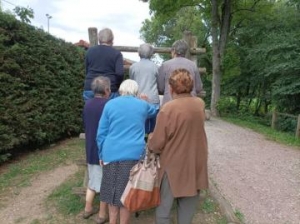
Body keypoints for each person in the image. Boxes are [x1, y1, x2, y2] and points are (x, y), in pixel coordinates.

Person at [148, 68, 208, 224]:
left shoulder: (168, 108)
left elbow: (157, 143)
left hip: (172, 166)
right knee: (187, 211)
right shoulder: (199, 104)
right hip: (195, 163)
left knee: (163, 211)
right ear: (191, 86)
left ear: (171, 88)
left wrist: (150, 139)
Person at [96, 80, 158, 224]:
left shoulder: (109, 104)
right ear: (136, 91)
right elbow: (155, 110)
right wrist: (146, 101)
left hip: (110, 153)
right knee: (127, 193)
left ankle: (112, 222)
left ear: (121, 90)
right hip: (133, 155)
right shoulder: (142, 105)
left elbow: (101, 133)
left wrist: (101, 153)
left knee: (112, 193)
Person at [82, 76, 110, 223]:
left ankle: (87, 208)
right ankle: (102, 214)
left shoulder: (87, 104)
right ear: (106, 90)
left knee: (93, 179)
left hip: (90, 146)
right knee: (105, 182)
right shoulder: (108, 105)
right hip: (103, 149)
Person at [158, 39, 203, 105]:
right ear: (185, 51)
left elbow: (161, 88)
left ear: (174, 51)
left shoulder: (165, 65)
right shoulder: (193, 65)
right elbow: (198, 87)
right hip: (190, 103)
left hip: (169, 103)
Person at [83, 28, 124, 101]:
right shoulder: (116, 54)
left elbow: (87, 70)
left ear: (99, 39)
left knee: (91, 110)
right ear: (112, 40)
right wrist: (116, 85)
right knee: (109, 111)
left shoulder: (90, 51)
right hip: (109, 88)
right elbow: (120, 73)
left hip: (90, 87)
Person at [129, 43, 160, 134]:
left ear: (139, 53)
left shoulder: (133, 67)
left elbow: (132, 81)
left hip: (138, 98)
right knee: (154, 126)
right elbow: (158, 82)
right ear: (151, 54)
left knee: (140, 124)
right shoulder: (155, 67)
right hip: (153, 99)